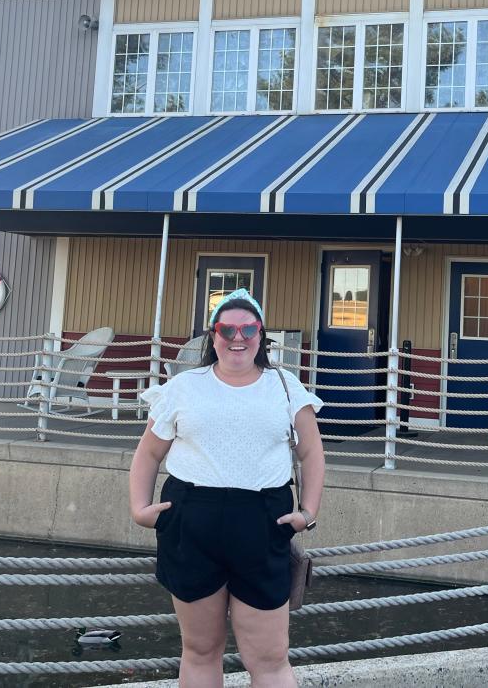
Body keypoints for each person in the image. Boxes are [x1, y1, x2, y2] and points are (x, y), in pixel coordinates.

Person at [129, 288, 324, 688]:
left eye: (249, 328)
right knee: (200, 652)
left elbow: (312, 453)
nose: (238, 337)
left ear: (261, 335)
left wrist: (308, 512)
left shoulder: (286, 387)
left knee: (269, 659)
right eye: (227, 329)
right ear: (213, 335)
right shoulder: (183, 388)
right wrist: (139, 507)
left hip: (264, 521)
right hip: (190, 520)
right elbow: (148, 453)